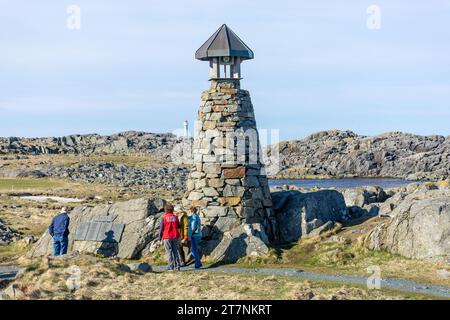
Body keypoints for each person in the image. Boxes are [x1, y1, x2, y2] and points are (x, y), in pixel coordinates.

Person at [158, 203, 182, 271]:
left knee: (169, 252)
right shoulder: (175, 217)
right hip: (175, 236)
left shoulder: (164, 217)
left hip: (167, 236)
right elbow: (178, 226)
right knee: (176, 251)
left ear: (166, 210)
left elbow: (161, 229)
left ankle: (171, 267)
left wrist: (159, 238)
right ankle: (177, 266)